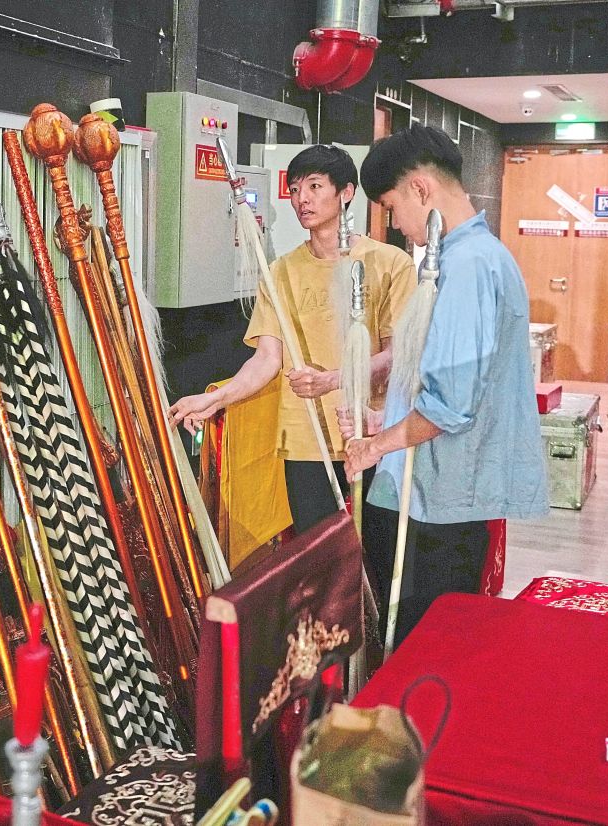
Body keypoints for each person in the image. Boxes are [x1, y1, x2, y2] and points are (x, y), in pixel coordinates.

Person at [342, 125, 548, 645]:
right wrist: (381, 421)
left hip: (440, 503)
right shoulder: (460, 259)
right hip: (432, 492)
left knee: (423, 645)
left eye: (390, 207)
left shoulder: (470, 265)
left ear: (420, 190)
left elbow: (449, 405)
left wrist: (376, 445)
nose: (395, 224)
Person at [169, 144, 415, 534]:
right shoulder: (281, 272)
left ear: (346, 193)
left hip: (374, 430)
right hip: (306, 440)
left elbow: (400, 356)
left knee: (379, 557)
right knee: (318, 559)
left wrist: (333, 380)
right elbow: (266, 360)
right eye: (295, 188)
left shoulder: (388, 264)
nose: (302, 199)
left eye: (315, 186)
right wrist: (213, 399)